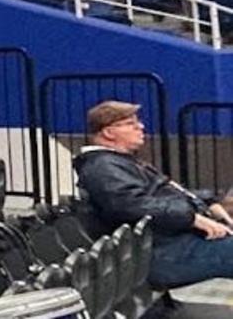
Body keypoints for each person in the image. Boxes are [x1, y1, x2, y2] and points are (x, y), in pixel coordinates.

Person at [75, 100, 233, 289]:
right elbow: (130, 205)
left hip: (167, 243)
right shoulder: (103, 167)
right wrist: (191, 218)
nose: (141, 127)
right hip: (158, 253)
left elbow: (162, 194)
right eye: (131, 124)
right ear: (109, 132)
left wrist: (208, 201)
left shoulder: (118, 163)